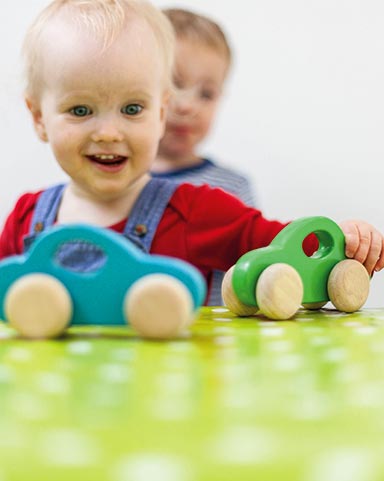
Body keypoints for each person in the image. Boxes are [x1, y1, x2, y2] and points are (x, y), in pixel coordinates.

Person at [0, 0, 383, 308]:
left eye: (132, 109)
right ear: (38, 118)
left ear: (161, 113)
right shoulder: (25, 218)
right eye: (81, 111)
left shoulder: (195, 210)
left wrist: (343, 241)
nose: (109, 132)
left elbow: (283, 248)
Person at [151, 8, 255, 304]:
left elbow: (253, 269)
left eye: (206, 94)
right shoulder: (112, 180)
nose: (187, 106)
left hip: (211, 341)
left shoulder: (234, 187)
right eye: (174, 84)